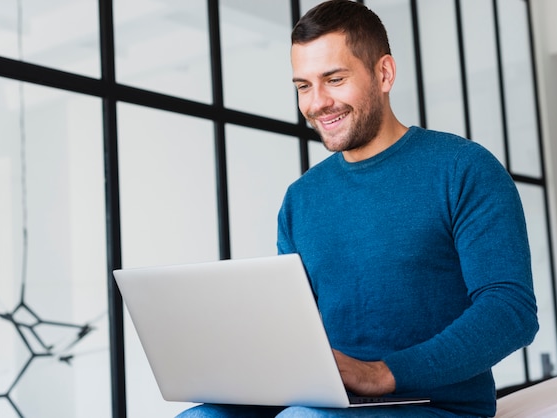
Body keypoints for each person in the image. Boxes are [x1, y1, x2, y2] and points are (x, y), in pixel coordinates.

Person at [176, 1, 538, 417]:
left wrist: (382, 373)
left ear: (384, 73)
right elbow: (296, 325)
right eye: (303, 86)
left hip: (438, 403)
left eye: (334, 79)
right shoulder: (301, 198)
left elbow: (511, 311)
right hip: (332, 396)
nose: (317, 103)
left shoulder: (462, 169)